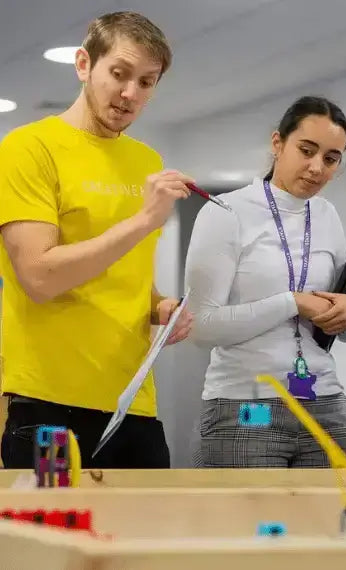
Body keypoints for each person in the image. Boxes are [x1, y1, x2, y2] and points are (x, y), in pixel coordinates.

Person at [0, 11, 194, 469]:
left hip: (134, 405)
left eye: (146, 82)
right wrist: (144, 220)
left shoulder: (145, 160)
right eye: (119, 74)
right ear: (84, 64)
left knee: (145, 542)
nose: (130, 94)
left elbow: (123, 273)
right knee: (48, 540)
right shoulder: (27, 148)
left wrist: (159, 307)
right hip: (47, 404)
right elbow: (39, 277)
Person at [184, 96, 346, 468]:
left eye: (331, 159)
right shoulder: (226, 213)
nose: (317, 167)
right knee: (249, 526)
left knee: (338, 524)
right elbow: (200, 327)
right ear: (277, 143)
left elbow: (338, 327)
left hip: (324, 404)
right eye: (306, 150)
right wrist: (291, 302)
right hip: (245, 406)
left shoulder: (327, 215)